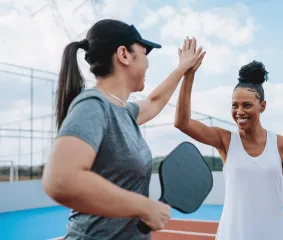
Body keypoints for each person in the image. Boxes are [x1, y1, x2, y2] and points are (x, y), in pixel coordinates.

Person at [42, 19, 204, 240]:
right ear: (124, 55)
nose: (148, 63)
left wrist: (183, 68)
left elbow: (154, 102)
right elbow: (60, 180)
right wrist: (143, 206)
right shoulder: (93, 105)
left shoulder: (123, 111)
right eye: (144, 53)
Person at [174, 60, 283, 240]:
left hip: (273, 233)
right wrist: (188, 74)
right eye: (234, 105)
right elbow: (182, 123)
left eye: (247, 105)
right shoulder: (225, 140)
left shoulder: (280, 144)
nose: (239, 111)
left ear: (262, 106)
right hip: (234, 234)